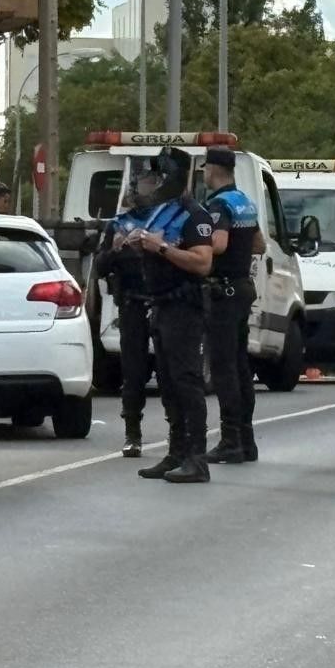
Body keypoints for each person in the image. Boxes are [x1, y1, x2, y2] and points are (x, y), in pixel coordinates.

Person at [127, 148, 214, 484]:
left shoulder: (194, 215)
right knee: (167, 383)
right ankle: (176, 452)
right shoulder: (161, 213)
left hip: (184, 307)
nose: (153, 183)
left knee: (187, 382)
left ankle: (197, 458)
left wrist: (161, 248)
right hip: (161, 305)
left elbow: (203, 262)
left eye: (160, 176)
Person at [203, 148, 265, 465]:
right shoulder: (245, 202)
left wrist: (194, 245)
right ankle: (246, 439)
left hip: (223, 292)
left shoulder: (219, 204)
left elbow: (219, 244)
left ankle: (230, 441)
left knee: (224, 368)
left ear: (213, 170)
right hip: (243, 288)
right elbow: (260, 245)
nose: (203, 174)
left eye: (205, 168)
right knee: (241, 367)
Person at [94, 187, 154, 458]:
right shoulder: (116, 227)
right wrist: (116, 249)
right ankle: (133, 434)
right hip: (132, 305)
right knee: (134, 373)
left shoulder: (163, 220)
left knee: (175, 372)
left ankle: (181, 435)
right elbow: (100, 266)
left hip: (164, 303)